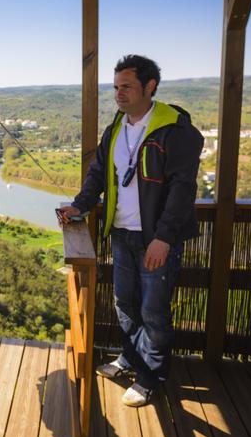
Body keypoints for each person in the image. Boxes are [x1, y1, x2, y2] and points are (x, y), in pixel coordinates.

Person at [59, 55, 203, 407]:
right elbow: (97, 175)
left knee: (154, 310)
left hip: (154, 238)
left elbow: (183, 188)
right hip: (122, 233)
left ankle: (150, 376)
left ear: (149, 87)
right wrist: (80, 205)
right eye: (116, 87)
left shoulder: (175, 130)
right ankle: (129, 358)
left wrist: (164, 238)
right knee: (125, 303)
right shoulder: (116, 129)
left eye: (127, 87)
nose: (119, 93)